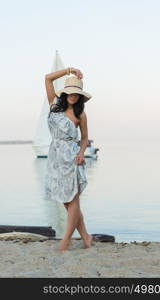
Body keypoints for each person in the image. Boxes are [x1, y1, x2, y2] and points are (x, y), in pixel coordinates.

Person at [44, 67, 93, 252]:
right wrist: (69, 70)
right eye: (70, 92)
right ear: (65, 93)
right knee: (66, 201)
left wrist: (81, 153)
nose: (73, 96)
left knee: (73, 200)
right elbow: (47, 79)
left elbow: (85, 138)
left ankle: (66, 241)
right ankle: (86, 237)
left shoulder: (80, 114)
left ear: (80, 96)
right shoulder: (53, 106)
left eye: (76, 94)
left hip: (72, 158)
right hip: (55, 158)